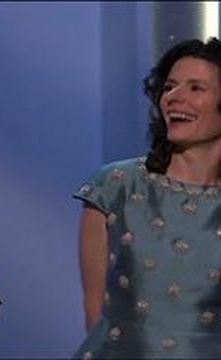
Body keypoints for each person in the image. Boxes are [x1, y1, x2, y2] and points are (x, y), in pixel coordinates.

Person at [73, 37, 221, 358]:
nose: (174, 98)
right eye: (169, 87)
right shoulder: (115, 186)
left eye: (195, 88)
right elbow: (95, 314)